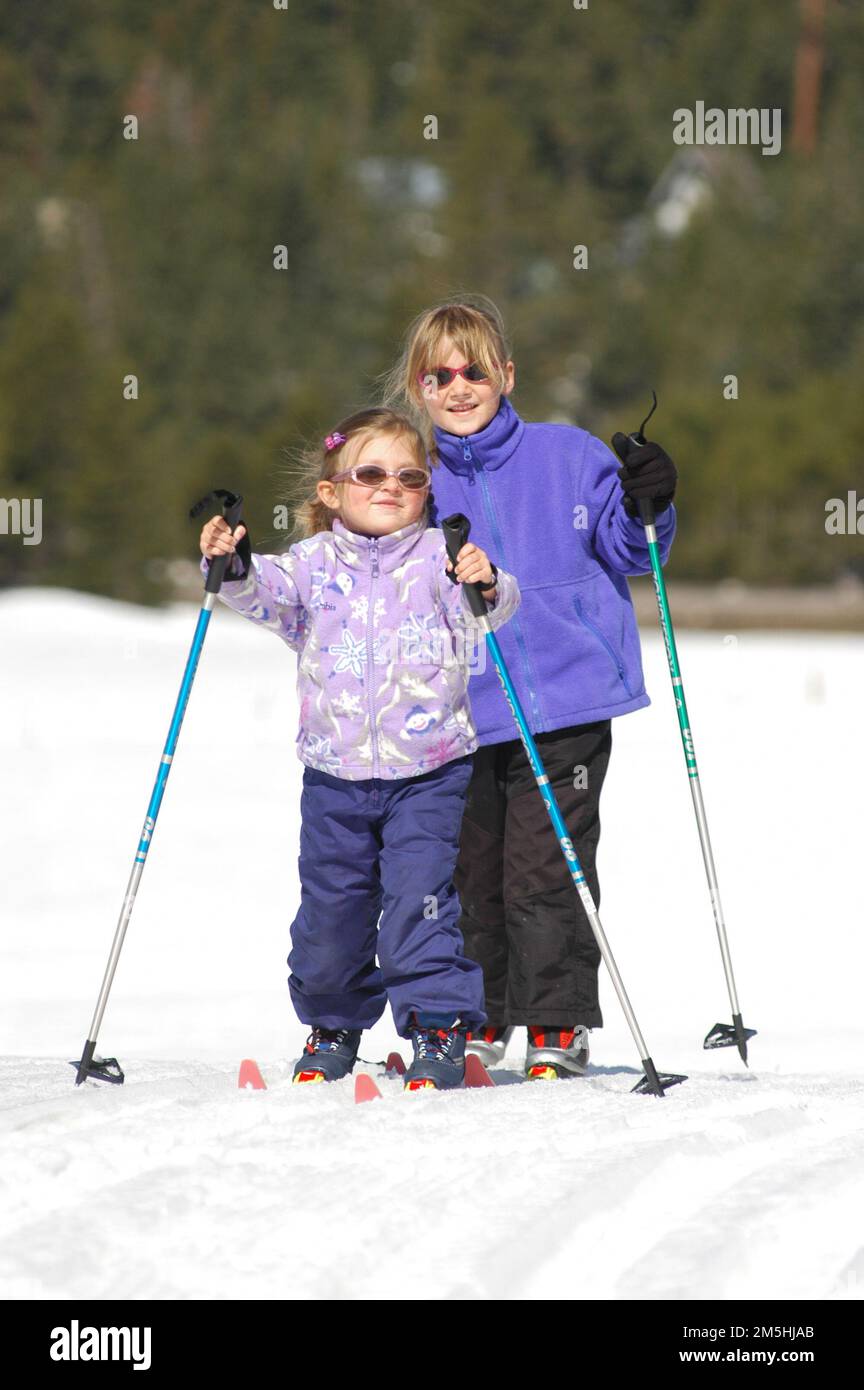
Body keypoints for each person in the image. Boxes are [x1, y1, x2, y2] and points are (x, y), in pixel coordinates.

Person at [382, 297, 677, 1079]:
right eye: (439, 373)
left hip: (568, 700)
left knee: (546, 869)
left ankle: (555, 1021)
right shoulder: (416, 478)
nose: (459, 384)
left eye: (475, 368)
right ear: (418, 386)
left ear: (506, 375)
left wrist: (653, 498)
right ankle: (481, 1016)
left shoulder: (568, 457)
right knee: (470, 872)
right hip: (460, 710)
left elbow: (634, 551)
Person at [198, 407, 520, 1090]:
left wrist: (484, 581)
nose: (390, 486)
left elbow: (491, 606)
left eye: (409, 476)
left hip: (428, 773)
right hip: (334, 775)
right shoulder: (312, 565)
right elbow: (262, 595)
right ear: (331, 490)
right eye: (370, 473)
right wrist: (230, 562)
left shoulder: (439, 557)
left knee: (419, 902)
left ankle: (438, 1025)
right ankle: (334, 1023)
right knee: (332, 908)